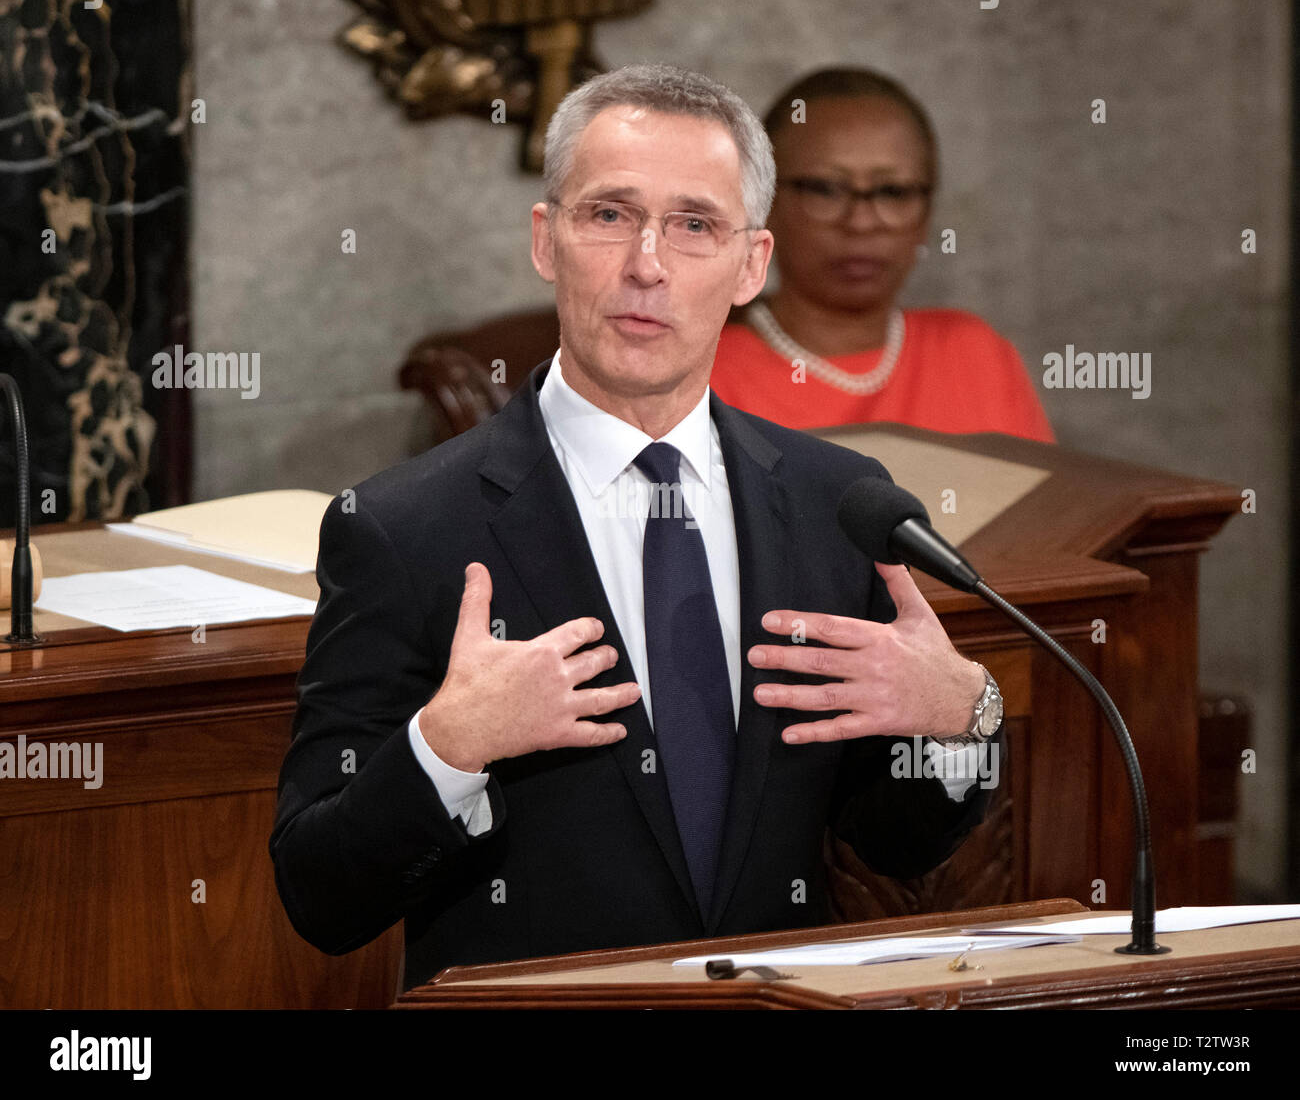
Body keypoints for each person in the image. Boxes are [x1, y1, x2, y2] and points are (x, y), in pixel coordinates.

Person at [270, 64, 1004, 992]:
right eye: (609, 215)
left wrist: (957, 723)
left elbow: (893, 843)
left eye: (695, 224)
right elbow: (318, 893)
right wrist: (446, 747)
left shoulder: (837, 504)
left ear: (752, 265)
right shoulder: (402, 528)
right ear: (547, 240)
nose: (647, 264)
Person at [710, 67, 1055, 442]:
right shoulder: (699, 371)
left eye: (892, 192)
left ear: (925, 213)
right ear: (765, 203)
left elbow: (1053, 503)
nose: (861, 222)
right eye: (826, 190)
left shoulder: (975, 355)